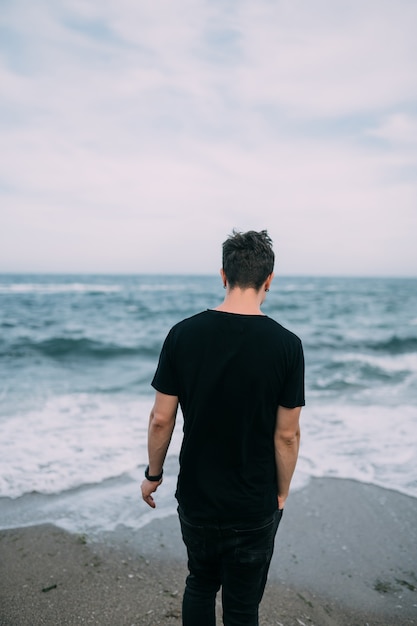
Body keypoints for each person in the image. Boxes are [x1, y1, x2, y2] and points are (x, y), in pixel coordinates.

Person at [141, 229, 305, 626]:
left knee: (200, 582)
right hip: (254, 501)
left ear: (223, 275)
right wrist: (281, 492)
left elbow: (161, 419)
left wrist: (153, 475)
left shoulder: (182, 334)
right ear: (269, 280)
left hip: (198, 496)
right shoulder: (287, 345)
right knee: (244, 605)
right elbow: (287, 434)